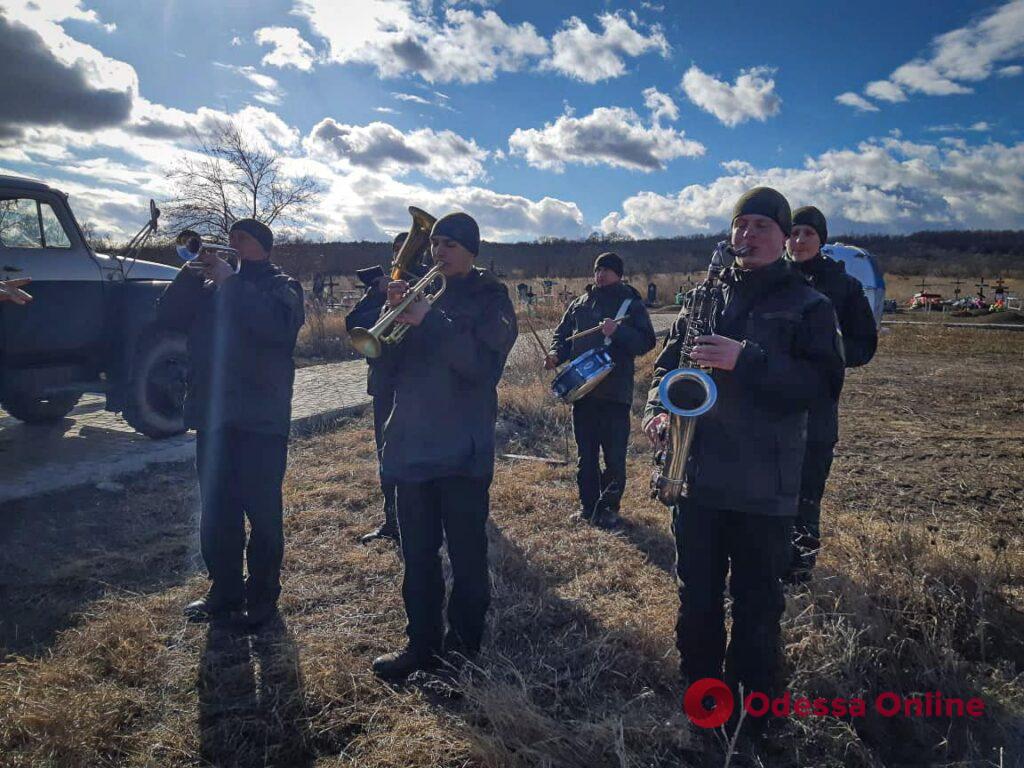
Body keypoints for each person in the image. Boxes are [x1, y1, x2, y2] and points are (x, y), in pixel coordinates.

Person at [642, 187, 844, 716]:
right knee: (697, 598)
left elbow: (822, 388)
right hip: (697, 473)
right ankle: (702, 701)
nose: (747, 235)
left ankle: (755, 715)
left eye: (762, 226)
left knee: (758, 607)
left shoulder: (810, 305)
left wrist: (747, 358)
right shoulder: (700, 297)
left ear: (784, 237)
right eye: (741, 224)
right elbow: (665, 369)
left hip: (764, 484)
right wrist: (657, 411)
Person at [371, 212, 516, 682]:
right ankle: (422, 644)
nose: (439, 251)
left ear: (472, 251)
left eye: (451, 243)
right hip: (412, 446)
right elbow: (385, 367)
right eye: (435, 242)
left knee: (467, 557)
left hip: (462, 453)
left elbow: (480, 368)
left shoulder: (492, 298)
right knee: (417, 555)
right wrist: (389, 318)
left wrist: (429, 320)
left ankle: (463, 654)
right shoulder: (423, 294)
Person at [154, 219, 305, 627]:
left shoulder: (282, 286)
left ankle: (262, 596)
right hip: (214, 415)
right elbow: (167, 318)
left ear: (264, 248)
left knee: (262, 512)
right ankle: (223, 590)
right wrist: (189, 275)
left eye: (242, 238)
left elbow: (277, 330)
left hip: (261, 418)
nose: (231, 243)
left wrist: (230, 283)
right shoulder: (207, 286)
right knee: (217, 511)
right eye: (231, 237)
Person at [785, 206, 878, 583]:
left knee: (806, 494)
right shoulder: (773, 280)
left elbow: (864, 345)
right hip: (769, 403)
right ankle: (765, 563)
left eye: (808, 233)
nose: (799, 240)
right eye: (792, 233)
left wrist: (830, 353)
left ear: (821, 239)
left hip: (818, 408)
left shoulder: (845, 287)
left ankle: (799, 570)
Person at [545, 252, 656, 527]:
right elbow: (563, 335)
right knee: (586, 454)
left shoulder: (630, 305)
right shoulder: (580, 304)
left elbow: (647, 342)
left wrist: (617, 332)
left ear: (618, 274)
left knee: (614, 455)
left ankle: (609, 509)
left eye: (607, 270)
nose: (601, 274)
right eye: (598, 269)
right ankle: (588, 507)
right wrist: (555, 354)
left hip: (615, 394)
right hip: (584, 393)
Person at [346, 231, 406, 544]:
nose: (403, 256)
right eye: (398, 250)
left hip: (418, 386)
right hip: (384, 383)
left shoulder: (432, 282)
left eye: (410, 248)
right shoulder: (383, 287)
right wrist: (378, 295)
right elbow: (353, 324)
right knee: (386, 453)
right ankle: (392, 520)